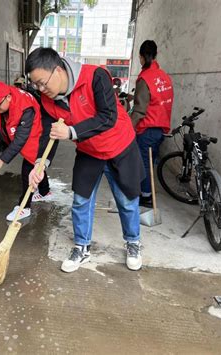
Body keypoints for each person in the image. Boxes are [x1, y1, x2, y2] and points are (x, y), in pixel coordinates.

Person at [25, 47, 145, 272]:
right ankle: (82, 247)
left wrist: (70, 132)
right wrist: (41, 163)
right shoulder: (47, 99)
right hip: (89, 151)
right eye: (36, 85)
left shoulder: (95, 77)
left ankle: (133, 242)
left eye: (43, 82)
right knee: (81, 200)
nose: (41, 89)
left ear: (58, 70)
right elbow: (46, 134)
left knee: (126, 199)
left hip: (119, 145)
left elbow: (108, 116)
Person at [0, 81, 53, 221]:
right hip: (21, 133)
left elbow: (20, 139)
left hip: (35, 133)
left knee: (29, 168)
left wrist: (1, 160)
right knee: (37, 167)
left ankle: (24, 207)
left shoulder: (25, 107)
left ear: (8, 97)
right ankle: (45, 192)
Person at [131, 40, 174, 208]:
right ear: (155, 55)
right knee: (150, 161)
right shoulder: (165, 77)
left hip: (147, 129)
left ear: (141, 57)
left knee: (144, 163)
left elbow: (140, 110)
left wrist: (128, 128)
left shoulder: (145, 79)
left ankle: (146, 196)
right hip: (161, 129)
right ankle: (147, 192)